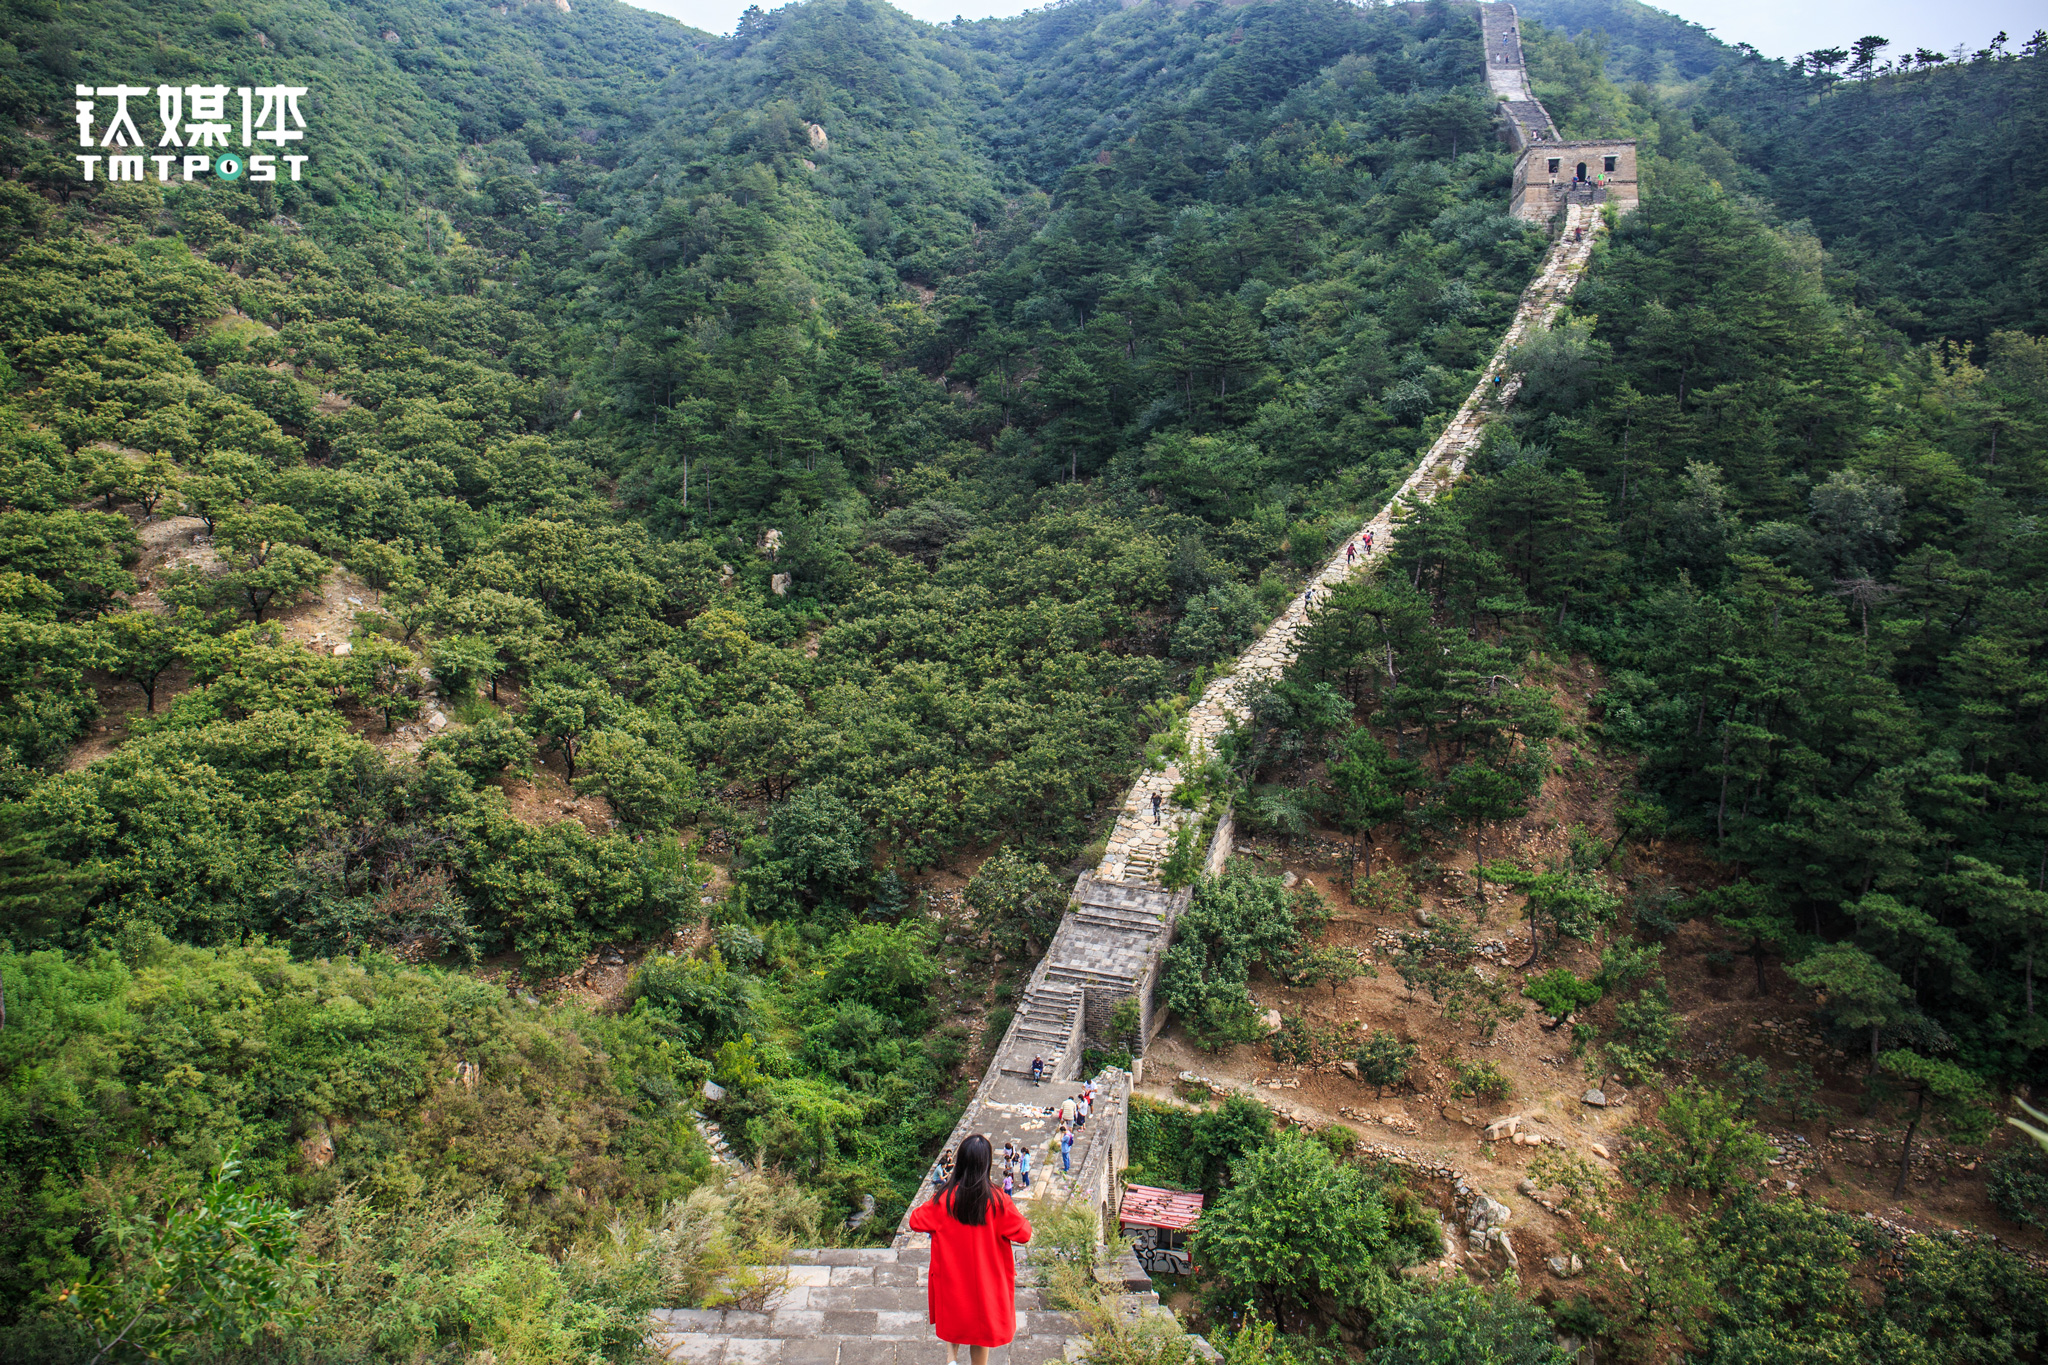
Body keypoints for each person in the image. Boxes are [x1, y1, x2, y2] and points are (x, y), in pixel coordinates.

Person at [910, 1134, 1033, 1365]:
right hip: (986, 1284)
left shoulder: (945, 1199)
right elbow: (1024, 1233)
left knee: (955, 1319)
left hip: (953, 1281)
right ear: (986, 1164)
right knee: (980, 1333)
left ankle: (951, 1357)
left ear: (961, 1162)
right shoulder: (998, 1201)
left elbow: (915, 1220)